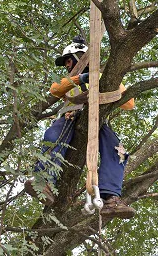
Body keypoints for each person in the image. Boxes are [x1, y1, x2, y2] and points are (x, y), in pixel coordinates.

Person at [25, 36, 136, 219]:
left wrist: (101, 82)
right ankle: (43, 180)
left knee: (119, 152)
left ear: (80, 57)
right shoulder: (69, 80)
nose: (67, 65)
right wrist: (80, 78)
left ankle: (110, 198)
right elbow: (55, 90)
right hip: (70, 116)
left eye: (69, 60)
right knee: (53, 136)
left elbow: (129, 103)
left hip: (97, 121)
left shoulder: (105, 77)